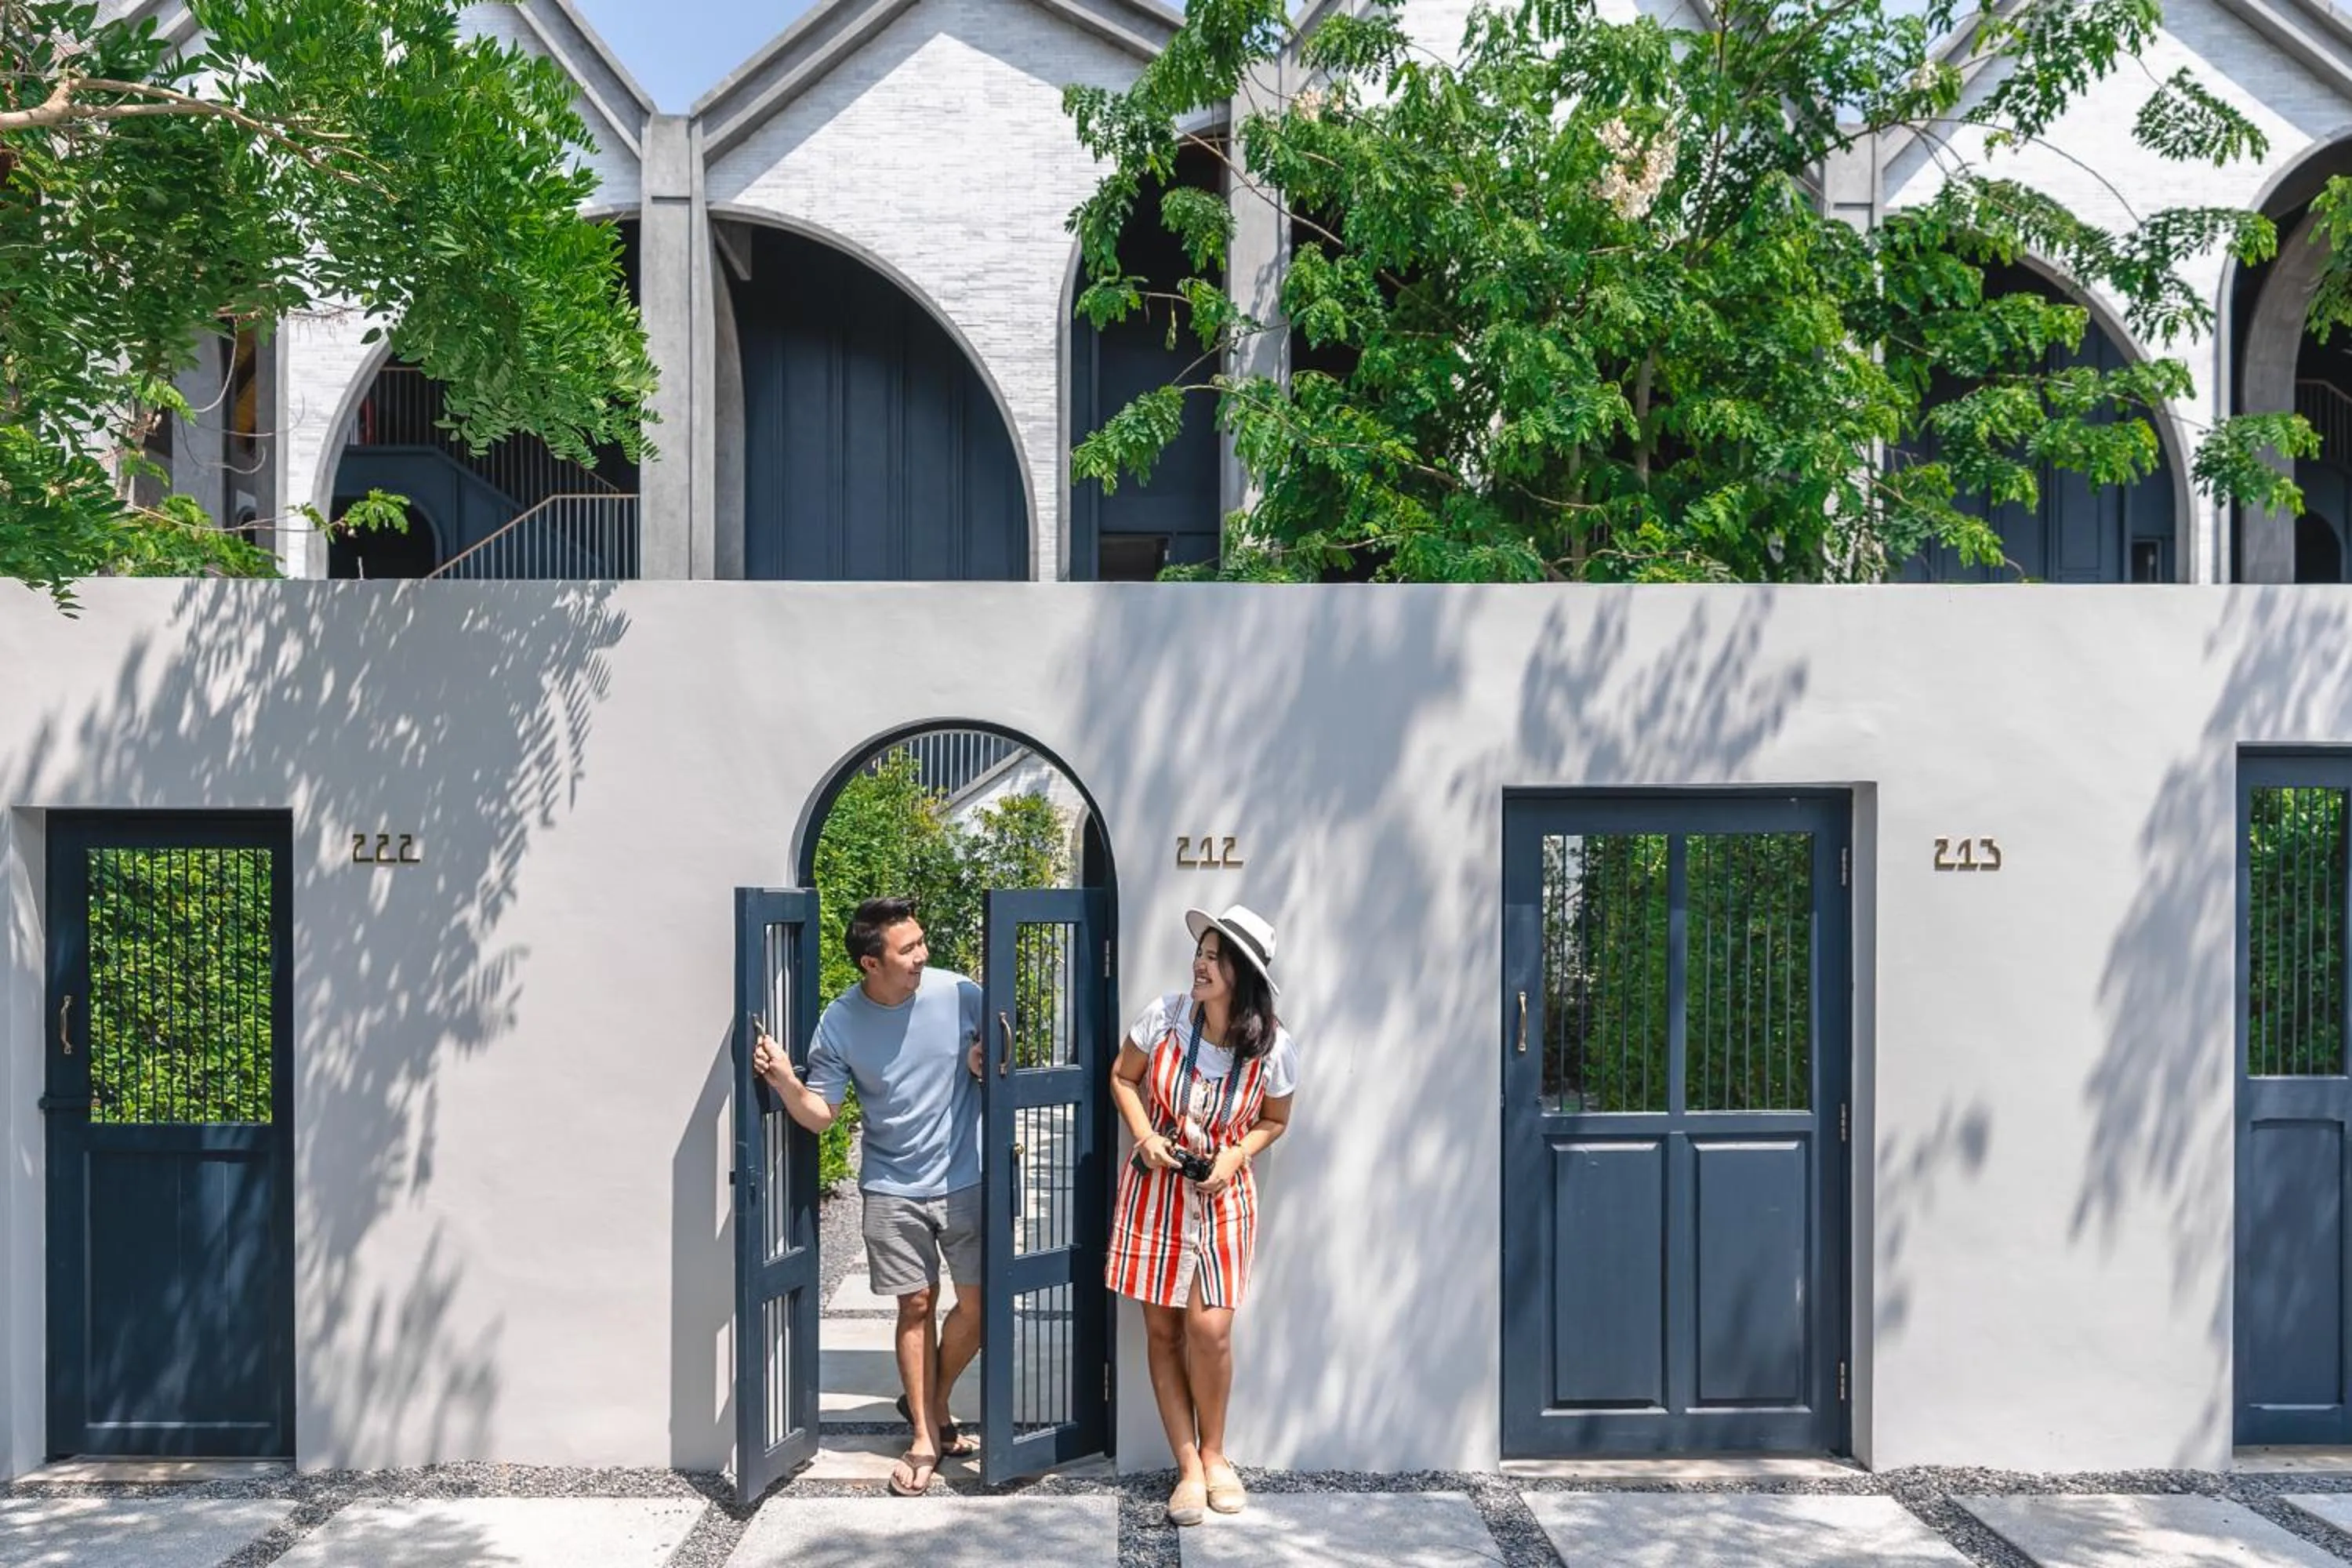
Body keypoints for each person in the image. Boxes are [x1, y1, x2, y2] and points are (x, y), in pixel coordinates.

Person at [753, 895, 984, 1497]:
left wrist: (990, 1063)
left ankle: (930, 1402)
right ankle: (926, 1440)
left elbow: (1011, 1063)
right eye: (908, 949)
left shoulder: (962, 994)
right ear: (869, 963)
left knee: (978, 1310)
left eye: (921, 943)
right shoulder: (840, 1019)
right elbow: (822, 1115)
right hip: (890, 1186)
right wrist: (782, 1076)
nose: (921, 956)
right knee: (914, 1305)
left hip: (968, 1177)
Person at [1106, 903, 1298, 1526]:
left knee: (1210, 1330)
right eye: (1202, 952)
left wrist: (1232, 1155)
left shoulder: (1273, 1047)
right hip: (1154, 1194)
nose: (1200, 962)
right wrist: (1145, 1136)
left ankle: (1217, 1456)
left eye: (1215, 956)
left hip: (1223, 1198)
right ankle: (1187, 1467)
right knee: (1162, 1333)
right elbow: (1122, 1078)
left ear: (1241, 974)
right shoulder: (1163, 1018)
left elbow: (1275, 1121)